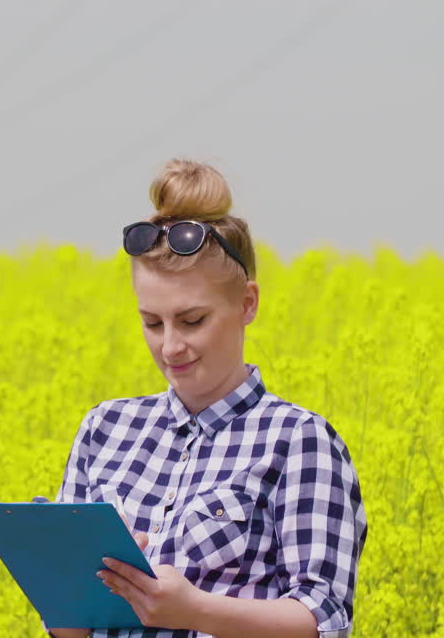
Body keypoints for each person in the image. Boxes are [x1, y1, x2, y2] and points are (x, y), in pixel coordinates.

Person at [42, 159, 368, 638]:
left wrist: (194, 609)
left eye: (192, 320)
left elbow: (324, 618)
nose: (170, 346)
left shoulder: (299, 442)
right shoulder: (104, 430)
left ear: (247, 304)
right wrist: (70, 579)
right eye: (152, 323)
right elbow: (71, 630)